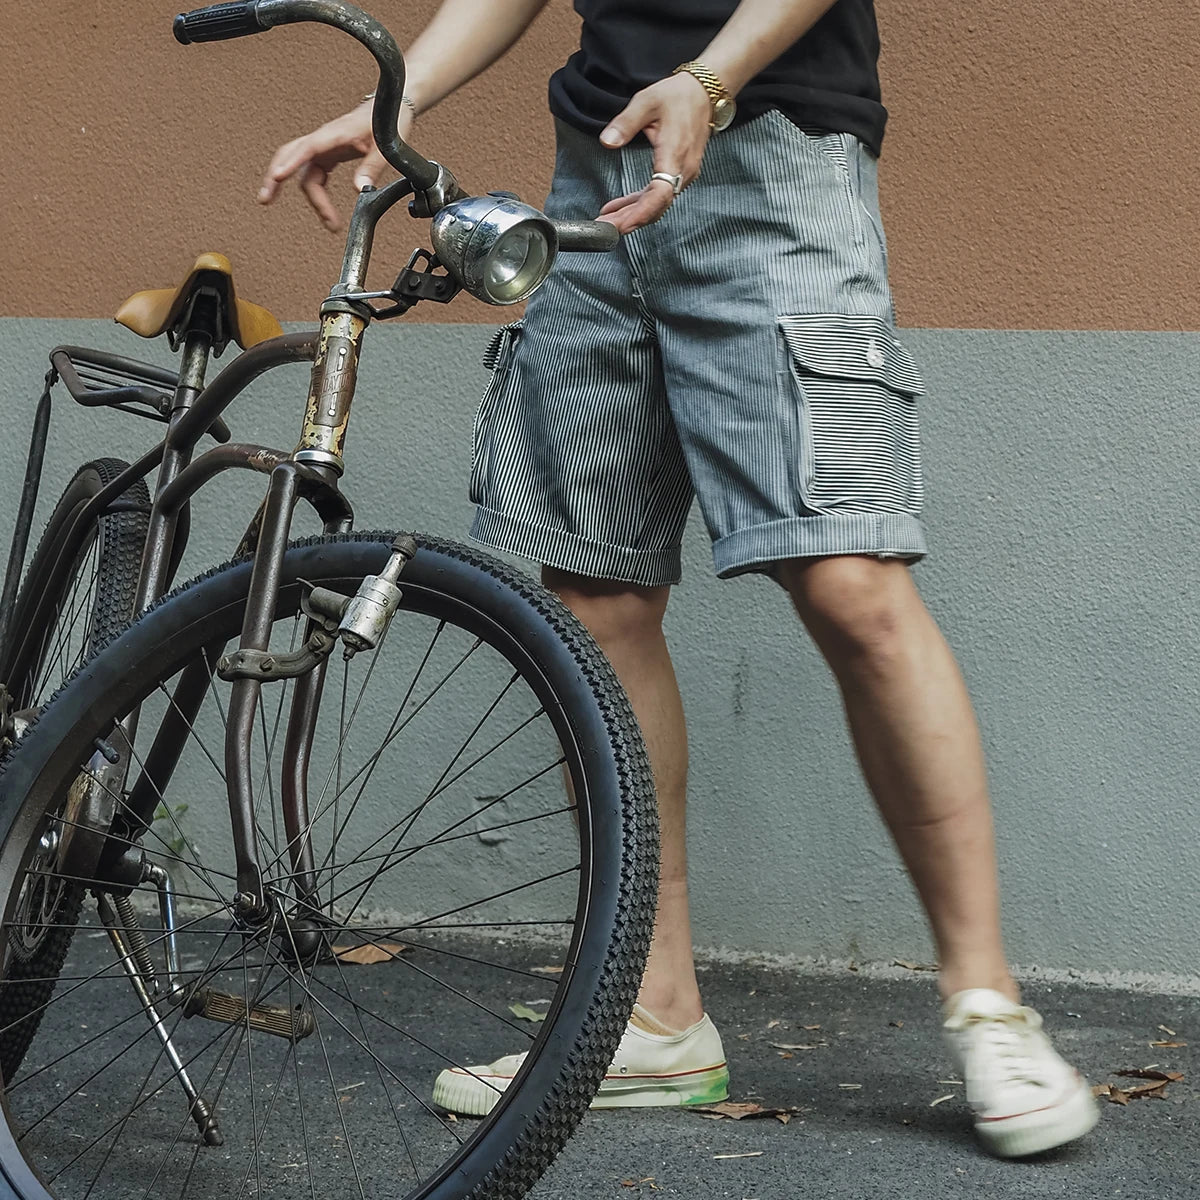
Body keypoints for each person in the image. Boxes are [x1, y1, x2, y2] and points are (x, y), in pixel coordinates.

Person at [259, 0, 1099, 1158]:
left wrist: (709, 79)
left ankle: (989, 1006)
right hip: (592, 181)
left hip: (776, 166)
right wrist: (388, 108)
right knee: (597, 604)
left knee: (851, 580)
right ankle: (657, 1017)